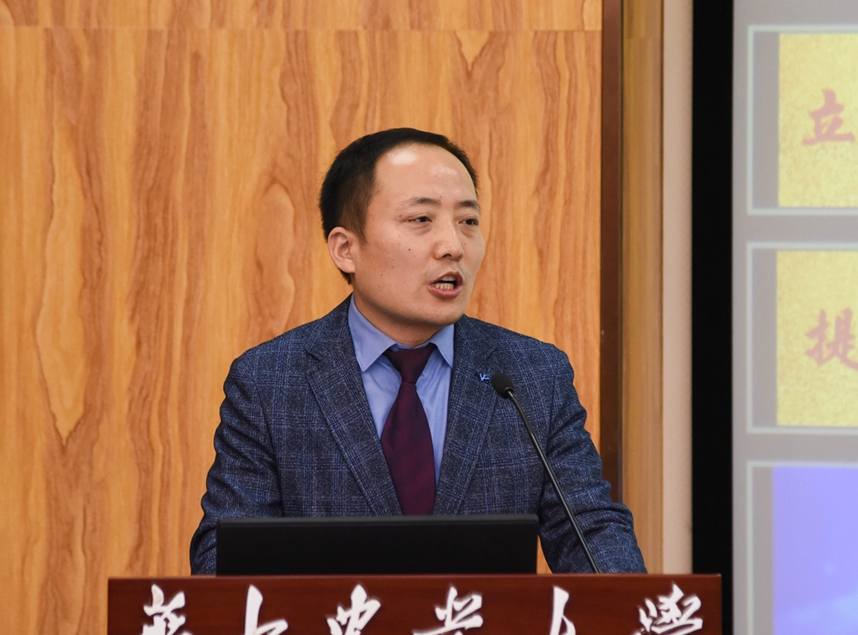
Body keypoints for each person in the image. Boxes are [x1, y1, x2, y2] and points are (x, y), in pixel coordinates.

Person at [190, 128, 645, 574]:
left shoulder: (531, 375)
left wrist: (631, 608)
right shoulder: (271, 382)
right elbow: (224, 561)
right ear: (346, 249)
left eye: (468, 222)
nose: (453, 247)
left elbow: (591, 531)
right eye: (421, 220)